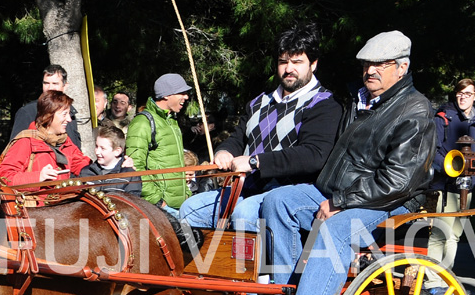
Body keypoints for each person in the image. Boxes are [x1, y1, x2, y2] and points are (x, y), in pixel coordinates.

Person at [261, 30, 436, 295]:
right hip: (338, 191)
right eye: (367, 64)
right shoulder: (361, 101)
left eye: (380, 65)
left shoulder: (415, 109)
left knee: (337, 230)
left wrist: (341, 202)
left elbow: (397, 181)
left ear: (401, 67)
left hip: (387, 202)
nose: (370, 71)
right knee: (278, 201)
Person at [179, 24, 342, 232]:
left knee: (244, 213)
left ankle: (258, 266)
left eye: (297, 62)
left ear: (314, 64)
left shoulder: (325, 104)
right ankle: (212, 264)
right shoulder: (259, 101)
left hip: (289, 194)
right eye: (283, 61)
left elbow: (314, 155)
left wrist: (255, 162)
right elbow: (239, 137)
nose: (289, 68)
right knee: (190, 209)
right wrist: (225, 152)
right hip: (245, 189)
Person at [0, 90, 90, 295]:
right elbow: (4, 176)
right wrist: (39, 175)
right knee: (29, 276)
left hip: (60, 214)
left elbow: (81, 164)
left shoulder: (63, 141)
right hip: (31, 218)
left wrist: (109, 168)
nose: (69, 120)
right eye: (65, 114)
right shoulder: (26, 141)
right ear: (49, 116)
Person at [420, 79, 475, 295]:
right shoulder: (444, 117)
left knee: (454, 236)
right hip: (443, 187)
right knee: (439, 235)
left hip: (466, 188)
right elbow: (432, 152)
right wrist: (453, 169)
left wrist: (471, 177)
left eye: (468, 93)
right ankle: (431, 284)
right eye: (459, 93)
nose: (463, 97)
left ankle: (445, 279)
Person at [126, 73, 192, 216]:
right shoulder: (142, 122)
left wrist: (186, 194)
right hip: (160, 211)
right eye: (182, 92)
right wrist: (158, 202)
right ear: (167, 94)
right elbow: (134, 167)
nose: (186, 97)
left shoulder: (172, 122)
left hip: (180, 207)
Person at [10, 64, 82, 150]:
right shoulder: (28, 112)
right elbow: (15, 149)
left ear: (65, 86)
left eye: (55, 84)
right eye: (46, 83)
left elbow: (75, 148)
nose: (50, 88)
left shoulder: (70, 113)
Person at [79, 125, 141, 195]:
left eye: (103, 148)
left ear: (117, 151)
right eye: (96, 146)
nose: (97, 152)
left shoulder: (130, 176)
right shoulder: (86, 172)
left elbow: (133, 202)